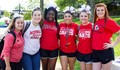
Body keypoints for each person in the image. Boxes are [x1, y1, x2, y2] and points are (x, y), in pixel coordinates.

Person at [92, 3, 120, 70]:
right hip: (95, 51)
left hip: (105, 52)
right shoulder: (96, 21)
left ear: (105, 11)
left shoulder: (109, 21)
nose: (100, 12)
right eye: (98, 10)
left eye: (102, 10)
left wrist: (113, 44)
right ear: (95, 12)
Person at [76, 5, 92, 70]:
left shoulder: (92, 26)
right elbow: (77, 38)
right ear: (79, 17)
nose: (83, 18)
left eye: (85, 16)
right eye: (81, 16)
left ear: (88, 17)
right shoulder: (78, 27)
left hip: (89, 52)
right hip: (80, 51)